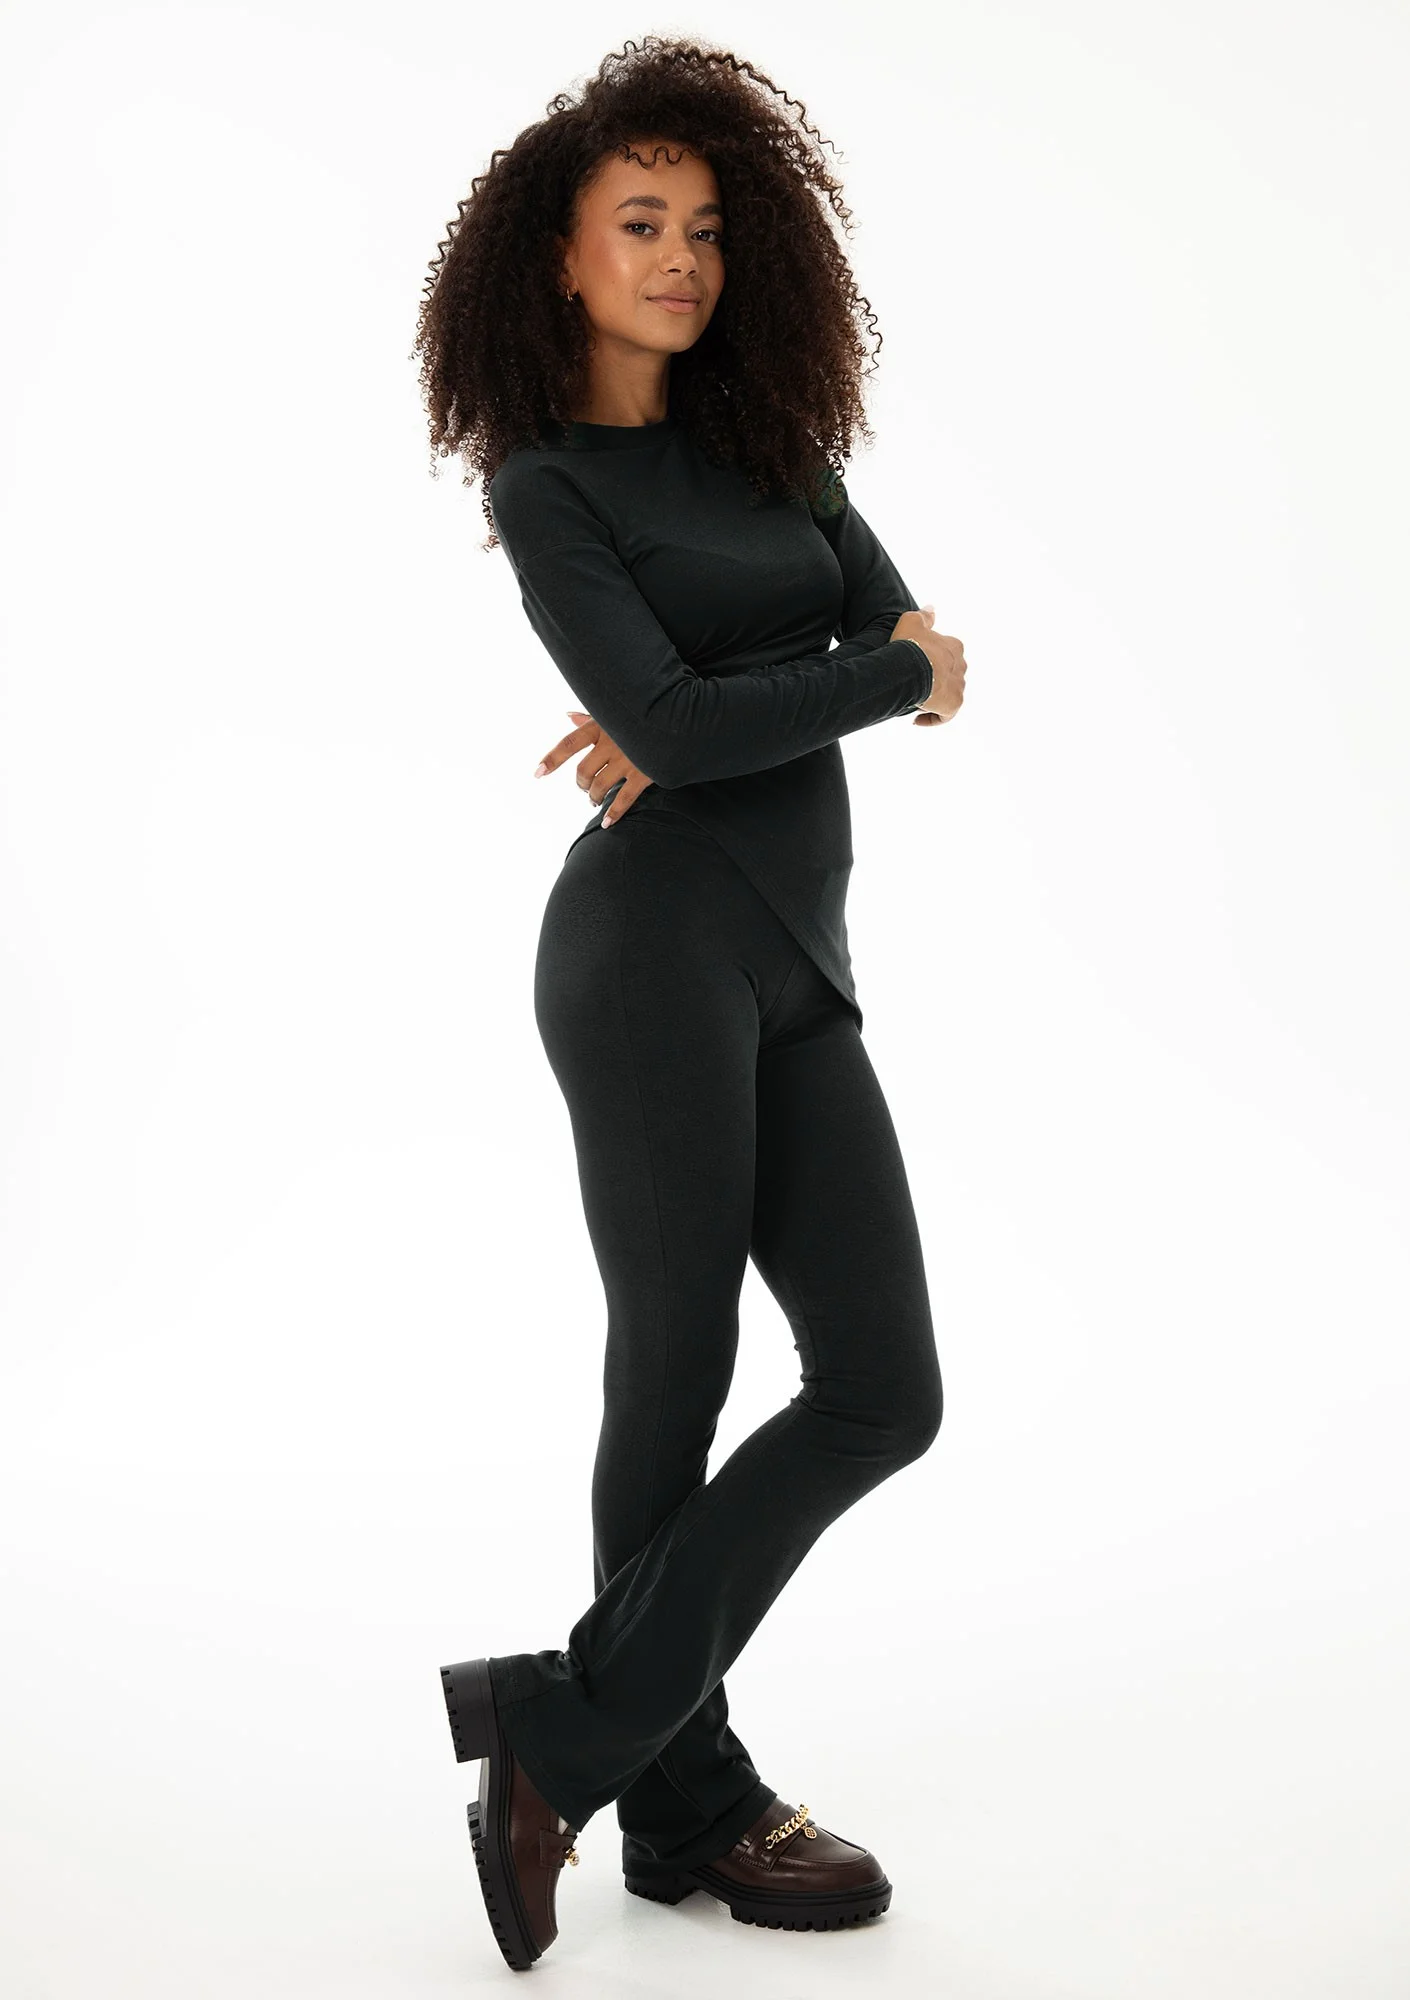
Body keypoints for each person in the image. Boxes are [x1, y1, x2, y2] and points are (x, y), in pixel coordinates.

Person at [413, 33, 967, 1973]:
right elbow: (839, 677)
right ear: (558, 258)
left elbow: (913, 644)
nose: (681, 259)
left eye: (709, 228)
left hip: (799, 958)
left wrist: (739, 701)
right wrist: (797, 689)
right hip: (645, 957)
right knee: (676, 1367)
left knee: (883, 1389)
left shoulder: (771, 443)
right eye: (639, 223)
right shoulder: (547, 485)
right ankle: (686, 1799)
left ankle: (568, 1732)